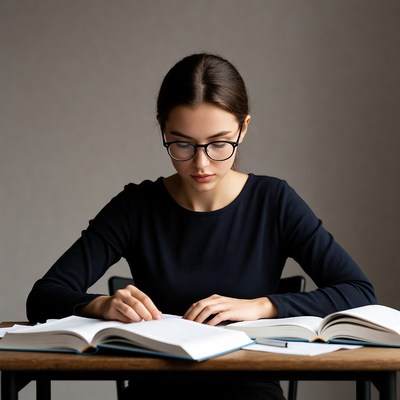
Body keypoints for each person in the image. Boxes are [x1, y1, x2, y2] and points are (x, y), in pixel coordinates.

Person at [26, 53, 377, 399]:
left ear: (244, 128)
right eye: (182, 144)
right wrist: (99, 306)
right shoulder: (136, 207)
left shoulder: (274, 200)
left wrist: (261, 306)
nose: (201, 163)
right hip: (154, 389)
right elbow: (43, 297)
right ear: (163, 128)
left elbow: (359, 292)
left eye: (219, 144)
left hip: (250, 389)